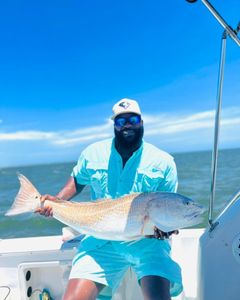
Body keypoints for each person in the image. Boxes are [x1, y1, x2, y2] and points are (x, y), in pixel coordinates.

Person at [39, 98, 183, 300]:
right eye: (120, 121)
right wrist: (57, 200)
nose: (127, 125)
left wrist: (166, 228)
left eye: (132, 119)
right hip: (100, 241)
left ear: (141, 122)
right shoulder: (92, 153)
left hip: (147, 245)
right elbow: (78, 180)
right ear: (114, 125)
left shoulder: (164, 162)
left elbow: (167, 208)